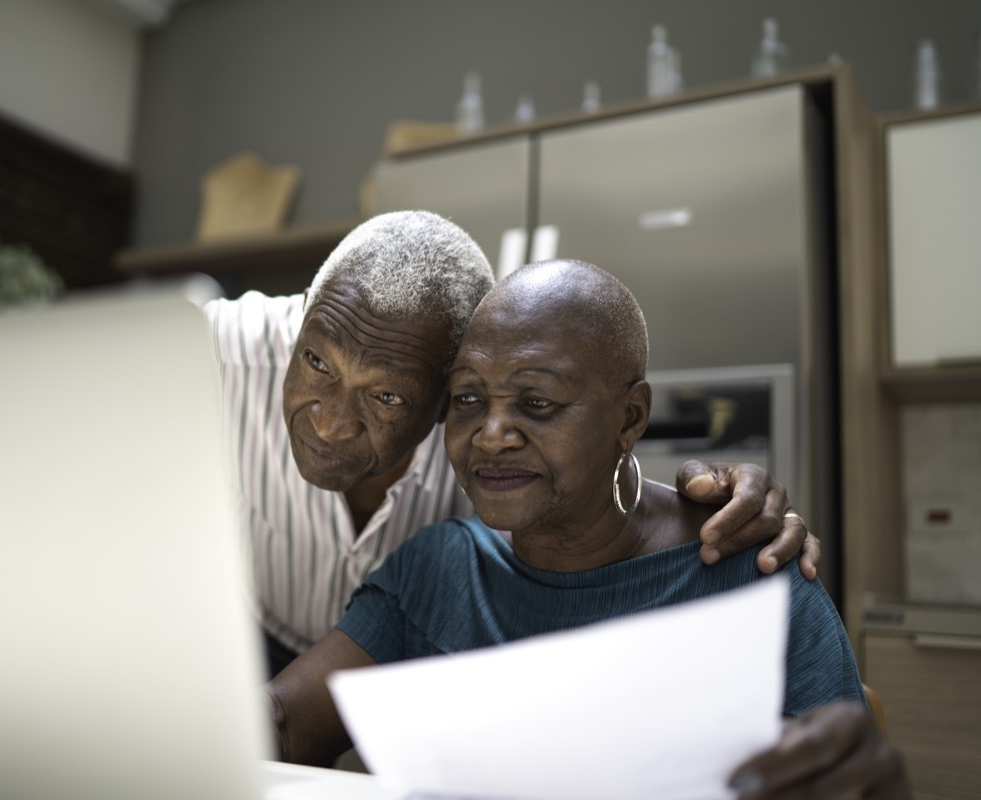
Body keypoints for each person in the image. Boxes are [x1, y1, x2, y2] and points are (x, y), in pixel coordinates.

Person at [266, 259, 909, 797]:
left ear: (630, 418)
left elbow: (847, 776)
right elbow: (286, 723)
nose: (491, 436)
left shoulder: (749, 570)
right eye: (468, 400)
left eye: (537, 404)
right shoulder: (437, 568)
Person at [205, 211, 821, 677]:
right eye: (316, 362)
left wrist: (740, 500)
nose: (334, 425)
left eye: (387, 397)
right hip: (242, 629)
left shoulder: (487, 446)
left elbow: (596, 485)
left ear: (446, 392)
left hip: (404, 667)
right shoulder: (219, 352)